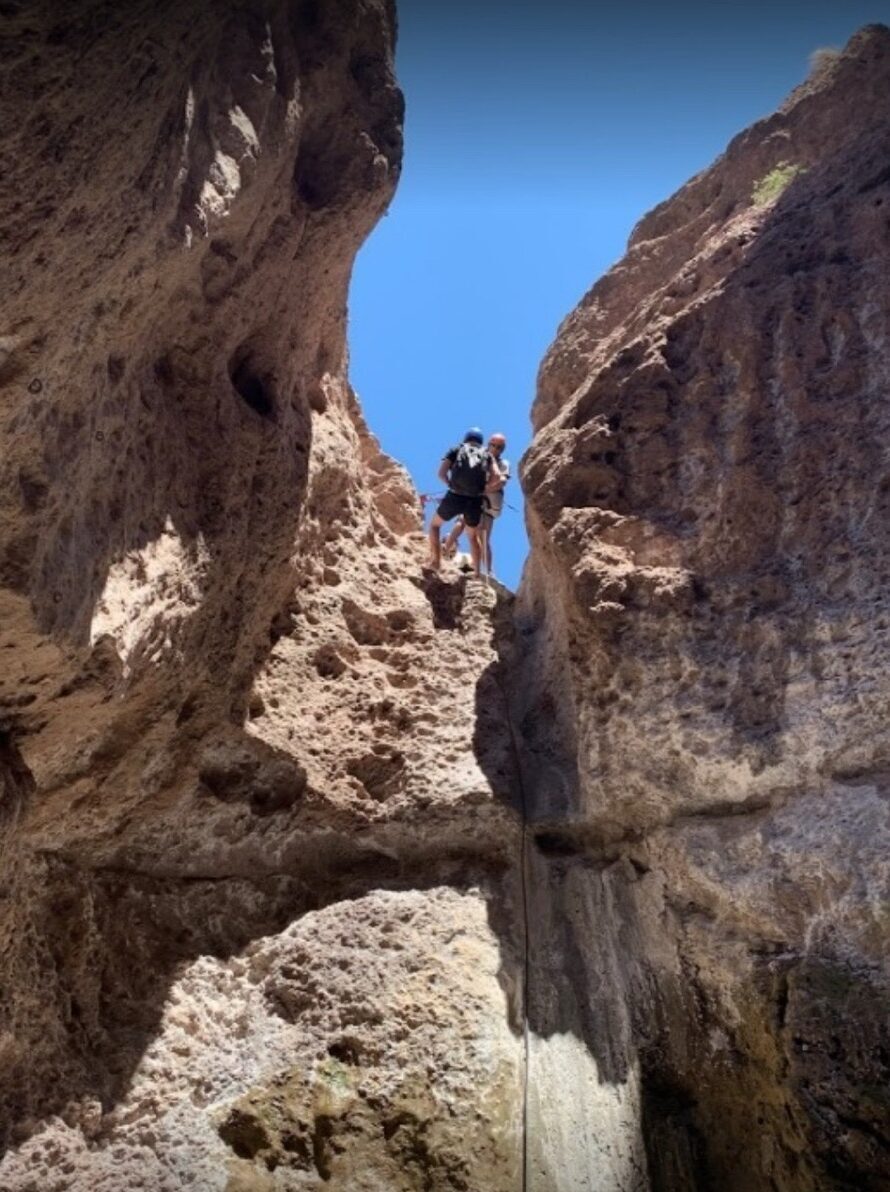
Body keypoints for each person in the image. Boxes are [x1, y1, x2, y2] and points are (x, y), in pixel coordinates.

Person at [426, 428, 492, 576]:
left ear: (466, 439)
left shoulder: (457, 449)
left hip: (456, 495)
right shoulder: (487, 455)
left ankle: (436, 562)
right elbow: (498, 478)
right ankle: (477, 574)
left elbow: (441, 474)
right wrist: (485, 489)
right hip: (475, 500)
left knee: (435, 525)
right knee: (473, 537)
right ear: (480, 442)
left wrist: (450, 484)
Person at [479, 433, 509, 576]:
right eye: (493, 445)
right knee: (462, 524)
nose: (495, 449)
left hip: (490, 503)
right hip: (478, 499)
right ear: (488, 444)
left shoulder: (503, 464)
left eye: (499, 447)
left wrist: (484, 489)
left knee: (484, 536)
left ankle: (489, 571)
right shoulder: (480, 459)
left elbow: (502, 481)